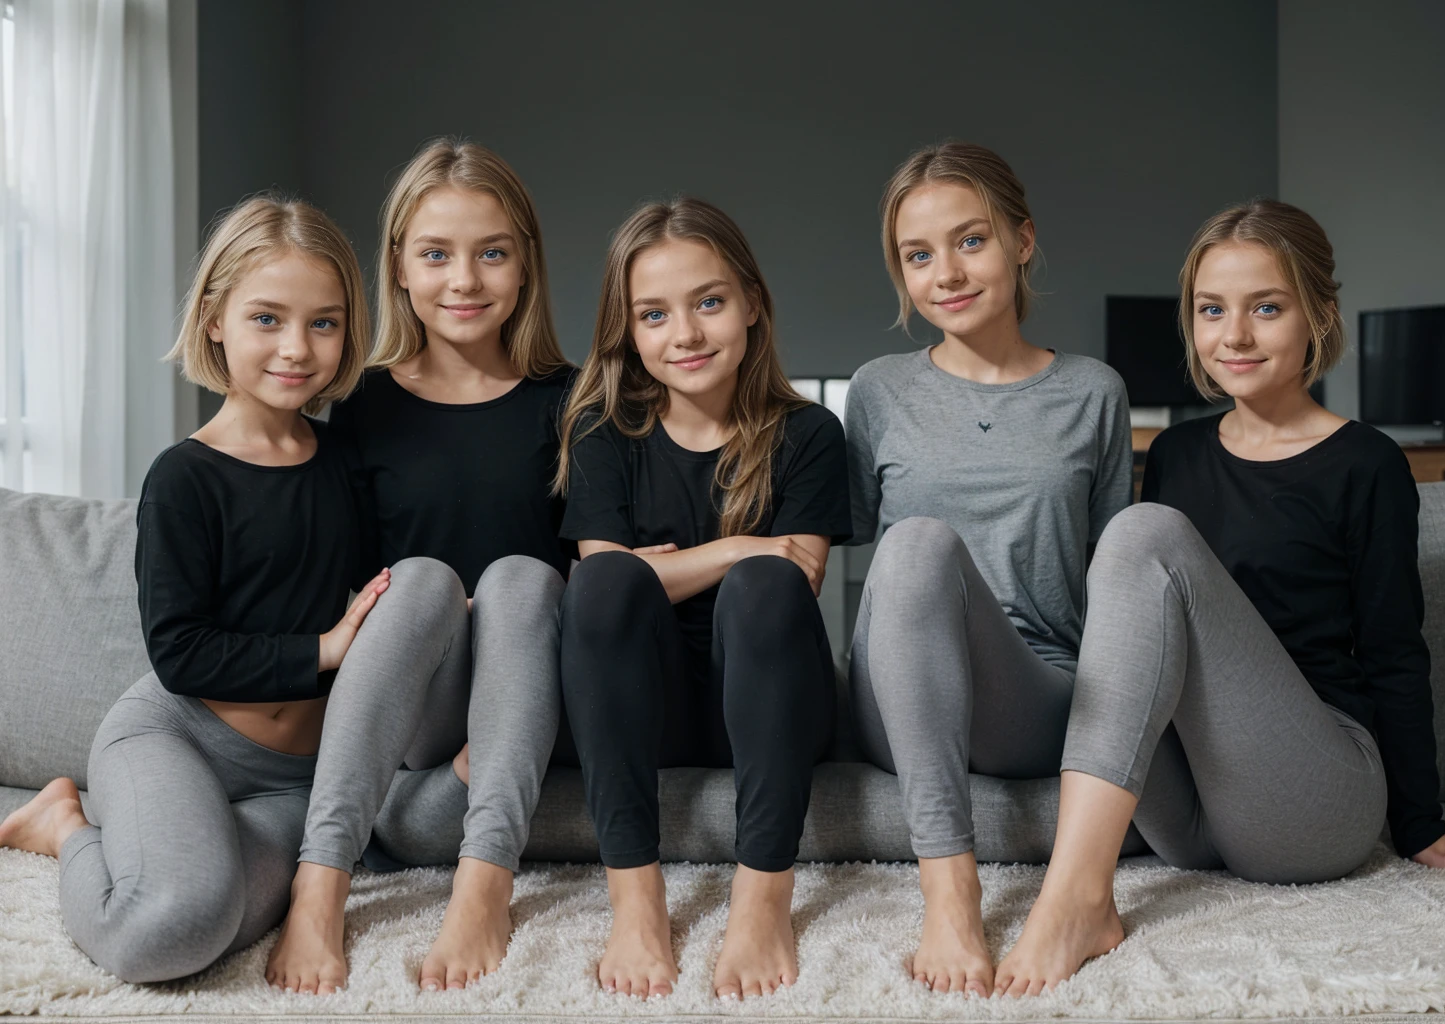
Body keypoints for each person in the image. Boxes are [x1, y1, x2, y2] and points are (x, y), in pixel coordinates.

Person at [993, 198, 1445, 997]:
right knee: (1132, 564)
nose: (1234, 337)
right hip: (1198, 814)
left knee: (1142, 535)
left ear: (1318, 315)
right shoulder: (1175, 453)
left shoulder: (1367, 463)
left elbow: (1393, 648)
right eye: (1212, 310)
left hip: (1318, 799)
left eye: (1266, 308)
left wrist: (1422, 828)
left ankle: (1075, 901)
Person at [0, 196, 383, 983]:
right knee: (162, 937)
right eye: (267, 318)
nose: (296, 348)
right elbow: (180, 653)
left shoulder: (350, 461)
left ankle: (180, 843)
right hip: (178, 737)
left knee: (220, 926)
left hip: (297, 780)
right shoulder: (185, 477)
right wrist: (325, 648)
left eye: (324, 322)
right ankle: (64, 825)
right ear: (215, 319)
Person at [265, 139, 575, 993]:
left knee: (520, 577)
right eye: (436, 254)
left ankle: (484, 885)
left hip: (531, 693)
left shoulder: (575, 402)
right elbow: (343, 589)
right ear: (399, 265)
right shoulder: (357, 404)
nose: (463, 280)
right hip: (417, 704)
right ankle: (319, 884)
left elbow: (599, 577)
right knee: (425, 578)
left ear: (525, 266)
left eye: (491, 253)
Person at [844, 141, 1132, 995]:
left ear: (1022, 240)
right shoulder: (876, 390)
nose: (946, 274)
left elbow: (1115, 578)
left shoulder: (1094, 393)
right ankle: (951, 892)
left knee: (927, 546)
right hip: (893, 700)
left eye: (970, 241)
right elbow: (842, 553)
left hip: (1036, 691)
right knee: (918, 546)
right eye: (917, 254)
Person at [556, 197, 850, 1000]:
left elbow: (801, 574)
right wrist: (736, 544)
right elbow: (604, 583)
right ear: (629, 331)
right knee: (610, 580)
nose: (684, 335)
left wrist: (705, 565)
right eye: (654, 314)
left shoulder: (810, 434)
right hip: (647, 712)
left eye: (709, 302)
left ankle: (762, 902)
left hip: (772, 707)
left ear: (752, 303)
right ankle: (638, 901)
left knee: (765, 583)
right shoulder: (601, 434)